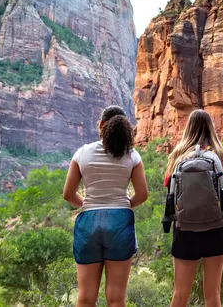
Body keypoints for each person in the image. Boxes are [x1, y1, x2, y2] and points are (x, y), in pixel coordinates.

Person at [63, 105, 148, 307]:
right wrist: (125, 205)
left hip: (88, 223)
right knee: (116, 297)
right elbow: (142, 194)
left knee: (85, 297)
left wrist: (88, 204)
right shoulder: (132, 156)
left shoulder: (82, 153)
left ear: (101, 125)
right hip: (120, 221)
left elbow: (68, 194)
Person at [165, 109, 223, 307]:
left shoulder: (176, 157)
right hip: (216, 229)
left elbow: (170, 194)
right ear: (211, 129)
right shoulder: (221, 156)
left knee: (180, 293)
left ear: (188, 129)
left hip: (184, 230)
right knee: (213, 294)